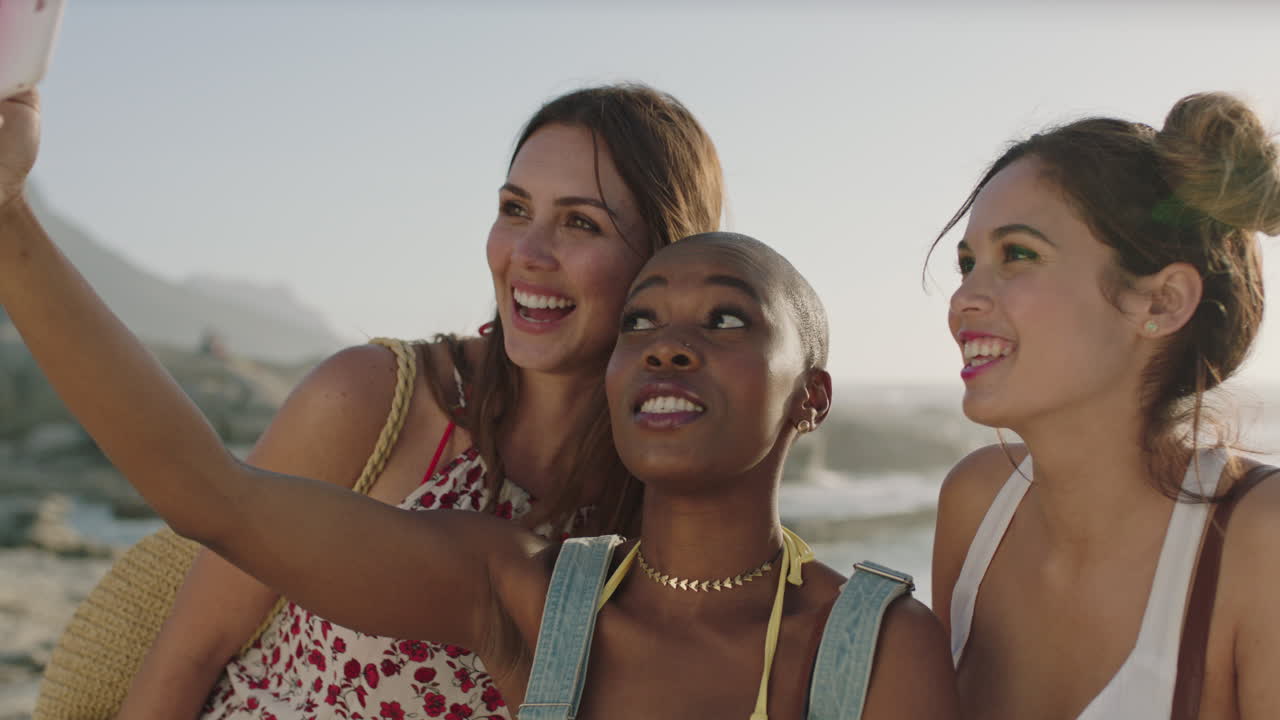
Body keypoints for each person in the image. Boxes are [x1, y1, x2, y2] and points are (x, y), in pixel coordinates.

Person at [0, 170, 961, 717]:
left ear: (814, 398)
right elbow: (213, 497)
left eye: (725, 320)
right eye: (639, 322)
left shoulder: (875, 650)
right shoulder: (532, 597)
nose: (668, 342)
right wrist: (8, 216)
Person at [0, 83, 724, 718]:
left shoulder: (667, 515)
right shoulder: (381, 398)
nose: (526, 252)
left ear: (666, 261)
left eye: (581, 222)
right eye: (514, 208)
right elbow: (191, 645)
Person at [929, 92, 1280, 719]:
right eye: (966, 263)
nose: (964, 300)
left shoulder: (1259, 540)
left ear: (1162, 302)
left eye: (1018, 254)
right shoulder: (975, 507)